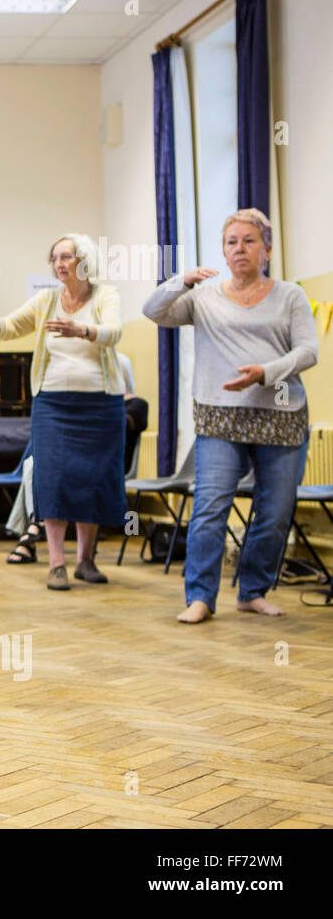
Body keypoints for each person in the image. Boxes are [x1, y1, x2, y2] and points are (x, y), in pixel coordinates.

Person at [143, 208, 318, 623]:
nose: (239, 249)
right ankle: (200, 597)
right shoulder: (203, 296)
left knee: (275, 512)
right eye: (231, 242)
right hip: (219, 415)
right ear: (223, 250)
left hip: (281, 413)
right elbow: (154, 311)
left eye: (249, 241)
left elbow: (308, 351)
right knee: (210, 507)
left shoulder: (290, 295)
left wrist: (266, 373)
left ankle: (252, 590)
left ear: (267, 249)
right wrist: (180, 280)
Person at [0, 233, 126, 590]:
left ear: (85, 260)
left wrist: (82, 329)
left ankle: (86, 560)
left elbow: (114, 333)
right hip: (52, 405)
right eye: (55, 258)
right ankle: (56, 563)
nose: (60, 263)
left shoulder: (106, 295)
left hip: (101, 404)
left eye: (67, 256)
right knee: (51, 477)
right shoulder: (45, 300)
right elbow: (6, 329)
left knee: (95, 477)